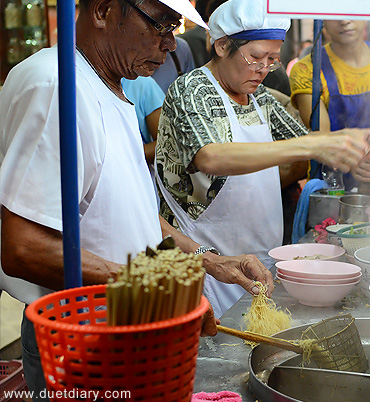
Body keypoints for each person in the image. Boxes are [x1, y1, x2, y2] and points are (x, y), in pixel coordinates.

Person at [0, 0, 274, 399]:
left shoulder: (112, 87)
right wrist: (158, 290)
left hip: (127, 330)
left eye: (174, 27)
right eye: (161, 24)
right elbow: (23, 248)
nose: (169, 44)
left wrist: (209, 259)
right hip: (80, 340)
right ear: (104, 10)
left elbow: (134, 217)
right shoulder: (57, 84)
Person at [154, 0, 370, 317]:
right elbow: (211, 156)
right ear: (221, 46)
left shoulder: (257, 97)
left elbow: (303, 140)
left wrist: (348, 144)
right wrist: (313, 148)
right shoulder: (191, 90)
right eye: (256, 57)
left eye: (273, 60)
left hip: (258, 258)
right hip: (203, 264)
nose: (263, 69)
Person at [290, 20, 370, 188]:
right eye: (335, 13)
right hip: (330, 189)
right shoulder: (308, 70)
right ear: (322, 21)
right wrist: (351, 161)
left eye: (351, 9)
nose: (344, 21)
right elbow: (321, 138)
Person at [122, 75, 165, 164]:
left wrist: (123, 158)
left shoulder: (142, 84)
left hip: (140, 171)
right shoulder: (88, 87)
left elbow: (166, 144)